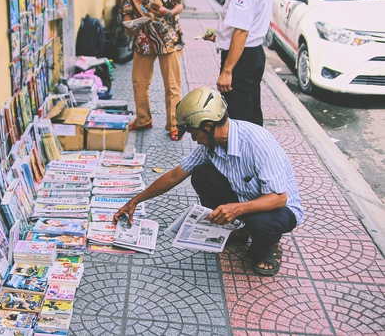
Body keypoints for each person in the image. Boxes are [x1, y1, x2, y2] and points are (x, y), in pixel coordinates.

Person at [113, 87, 303, 276]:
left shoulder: (257, 143)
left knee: (261, 226)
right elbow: (175, 175)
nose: (194, 139)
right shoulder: (211, 145)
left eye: (194, 133)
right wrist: (134, 201)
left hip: (278, 208)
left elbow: (279, 198)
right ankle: (238, 230)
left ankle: (272, 246)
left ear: (210, 126)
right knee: (201, 174)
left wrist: (235, 209)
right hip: (243, 199)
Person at [203, 0, 272, 126]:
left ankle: (244, 157)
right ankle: (254, 156)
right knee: (251, 112)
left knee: (239, 119)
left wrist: (227, 71)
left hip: (242, 59)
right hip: (252, 54)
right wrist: (221, 36)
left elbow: (242, 31)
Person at [123, 0, 185, 140]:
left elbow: (179, 4)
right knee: (139, 82)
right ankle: (143, 119)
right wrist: (129, 25)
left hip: (168, 38)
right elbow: (127, 9)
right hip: (143, 39)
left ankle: (174, 124)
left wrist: (166, 13)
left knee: (172, 85)